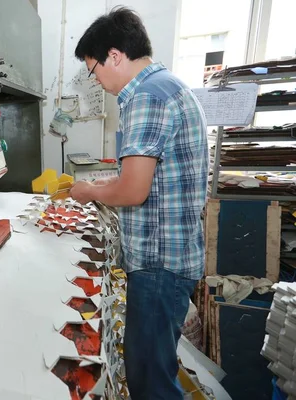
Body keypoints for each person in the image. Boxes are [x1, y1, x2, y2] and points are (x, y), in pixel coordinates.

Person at [70, 7, 208, 400]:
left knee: (149, 379)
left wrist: (92, 191)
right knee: (154, 367)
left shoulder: (145, 96)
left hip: (158, 265)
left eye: (93, 69)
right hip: (172, 258)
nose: (97, 81)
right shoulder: (168, 86)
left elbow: (134, 192)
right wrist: (105, 182)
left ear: (114, 55)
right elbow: (152, 176)